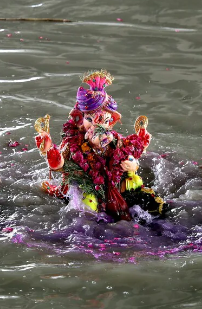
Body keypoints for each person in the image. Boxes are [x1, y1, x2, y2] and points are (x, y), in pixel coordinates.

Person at [34, 70, 165, 221]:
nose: (96, 124)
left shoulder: (117, 140)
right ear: (79, 118)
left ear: (110, 122)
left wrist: (132, 165)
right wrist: (49, 150)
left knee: (150, 206)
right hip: (86, 188)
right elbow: (60, 166)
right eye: (89, 118)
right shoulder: (73, 143)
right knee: (88, 212)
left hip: (115, 188)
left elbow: (132, 159)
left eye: (103, 120)